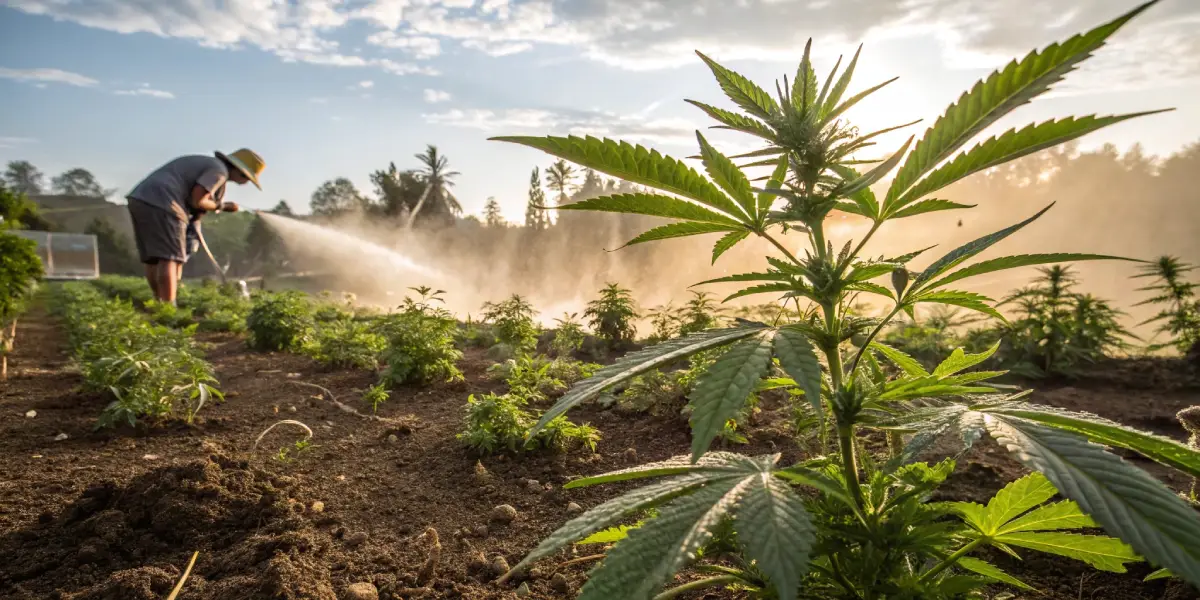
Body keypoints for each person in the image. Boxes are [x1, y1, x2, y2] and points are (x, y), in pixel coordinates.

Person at [126, 149, 264, 305]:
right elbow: (197, 200)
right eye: (248, 179)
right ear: (241, 173)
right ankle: (168, 307)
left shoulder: (208, 164)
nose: (245, 184)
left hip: (140, 199)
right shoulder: (219, 172)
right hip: (166, 203)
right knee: (169, 258)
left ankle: (159, 302)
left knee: (153, 259)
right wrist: (224, 206)